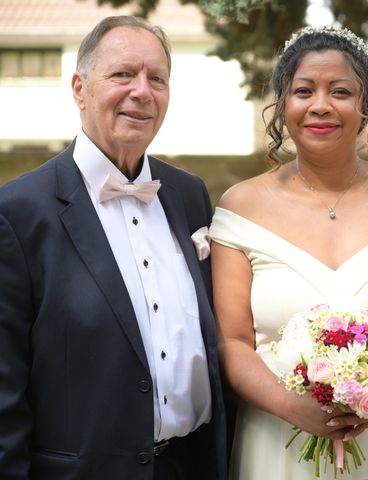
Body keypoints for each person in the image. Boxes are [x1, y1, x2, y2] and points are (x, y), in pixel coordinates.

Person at [209, 26, 368, 479]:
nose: (321, 104)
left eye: (340, 91)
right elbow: (233, 342)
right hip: (278, 437)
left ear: (365, 107)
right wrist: (292, 405)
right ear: (284, 105)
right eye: (304, 90)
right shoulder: (239, 206)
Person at [0, 16, 227, 480]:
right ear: (80, 87)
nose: (142, 91)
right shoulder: (17, 212)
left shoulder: (189, 195)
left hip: (193, 467)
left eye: (157, 79)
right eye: (123, 74)